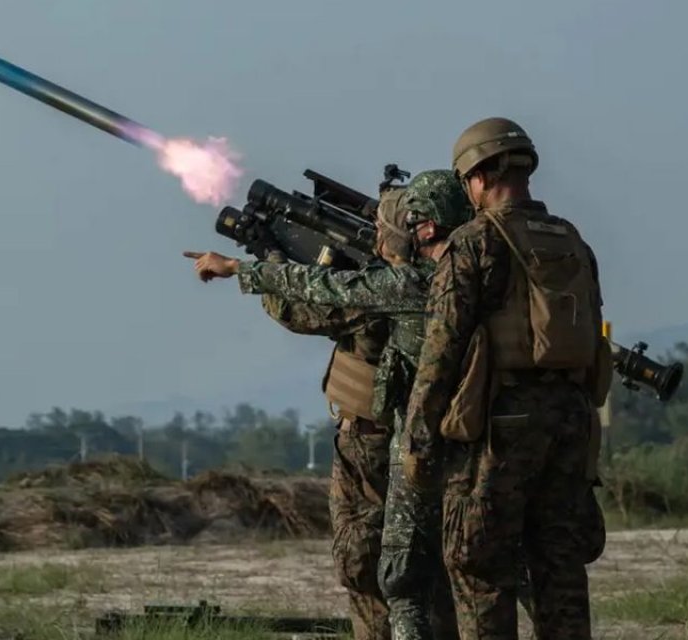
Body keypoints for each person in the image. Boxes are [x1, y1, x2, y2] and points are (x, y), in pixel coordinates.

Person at [185, 169, 472, 640]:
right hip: (433, 442)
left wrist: (258, 261)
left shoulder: (399, 286)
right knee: (424, 568)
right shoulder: (457, 279)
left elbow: (307, 306)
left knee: (379, 567)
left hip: (379, 442)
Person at [408, 117, 607, 640]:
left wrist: (418, 438)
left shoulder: (473, 243)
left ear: (477, 176)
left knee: (480, 568)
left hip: (503, 427)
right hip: (570, 422)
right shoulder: (570, 240)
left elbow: (441, 350)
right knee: (560, 569)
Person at [257, 251, 394, 640]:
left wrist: (271, 266)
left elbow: (297, 309)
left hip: (372, 443)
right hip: (417, 439)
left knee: (364, 559)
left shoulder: (385, 286)